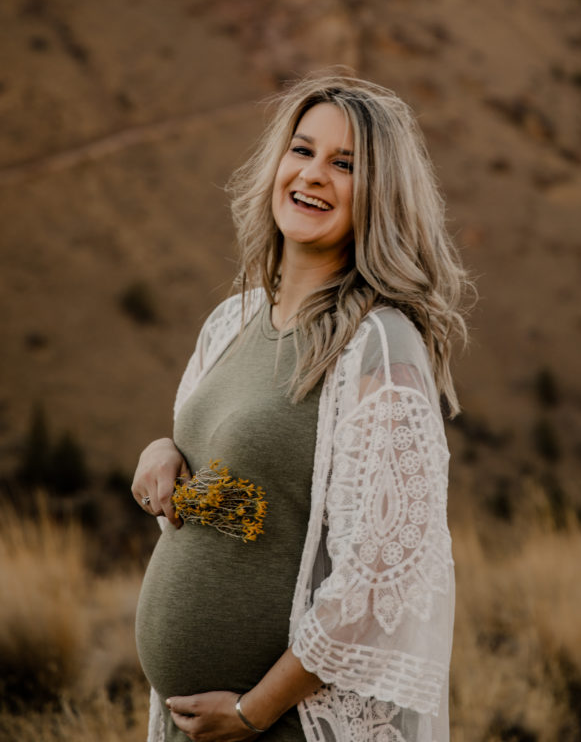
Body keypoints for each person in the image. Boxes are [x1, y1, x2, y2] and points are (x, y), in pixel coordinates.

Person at [132, 74, 472, 742]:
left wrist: (252, 710)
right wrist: (163, 450)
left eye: (344, 165)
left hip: (282, 726)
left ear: (380, 193)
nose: (314, 175)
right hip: (194, 725)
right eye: (302, 150)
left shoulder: (377, 342)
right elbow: (233, 450)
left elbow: (381, 577)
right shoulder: (234, 318)